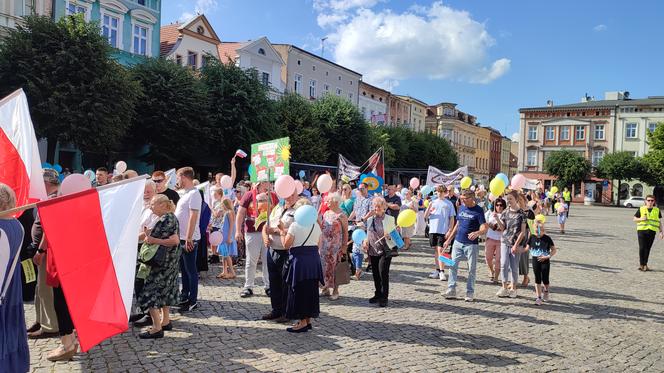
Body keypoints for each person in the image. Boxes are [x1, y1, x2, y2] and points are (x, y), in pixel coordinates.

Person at [136, 195, 181, 339]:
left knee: (150, 292)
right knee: (165, 291)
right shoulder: (170, 217)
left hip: (162, 263)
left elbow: (173, 241)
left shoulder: (166, 220)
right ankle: (165, 321)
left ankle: (156, 327)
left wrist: (152, 239)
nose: (150, 206)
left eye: (153, 204)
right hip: (168, 262)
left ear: (162, 205)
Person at [26, 169, 60, 339]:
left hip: (47, 251)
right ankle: (41, 320)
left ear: (46, 183)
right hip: (43, 250)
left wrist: (40, 250)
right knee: (40, 288)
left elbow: (50, 229)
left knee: (45, 289)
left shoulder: (54, 200)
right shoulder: (49, 198)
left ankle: (50, 326)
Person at [281, 199, 324, 333]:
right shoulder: (316, 226)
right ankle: (308, 320)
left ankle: (303, 322)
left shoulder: (294, 226)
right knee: (310, 291)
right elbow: (319, 244)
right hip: (313, 261)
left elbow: (286, 245)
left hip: (300, 262)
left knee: (299, 291)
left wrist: (282, 232)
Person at [0, 183, 30, 371]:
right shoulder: (17, 225)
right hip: (11, 288)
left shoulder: (1, 228)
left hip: (3, 287)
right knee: (10, 328)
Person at [443, 190, 487, 302]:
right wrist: (449, 240)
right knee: (452, 265)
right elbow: (457, 225)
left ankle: (470, 292)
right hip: (458, 242)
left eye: (464, 199)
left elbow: (484, 227)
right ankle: (451, 289)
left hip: (471, 245)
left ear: (472, 198)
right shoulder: (462, 208)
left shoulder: (479, 210)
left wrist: (477, 233)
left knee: (471, 269)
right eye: (461, 198)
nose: (462, 200)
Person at [236, 182, 278, 298]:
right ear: (260, 183)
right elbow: (240, 213)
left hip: (268, 232)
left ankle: (268, 286)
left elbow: (278, 212)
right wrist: (237, 231)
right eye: (267, 182)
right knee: (251, 259)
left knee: (267, 260)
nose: (270, 184)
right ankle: (248, 286)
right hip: (252, 231)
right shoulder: (249, 195)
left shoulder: (273, 196)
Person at [261, 190, 298, 323]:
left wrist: (276, 231)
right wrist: (265, 237)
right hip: (272, 250)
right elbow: (265, 227)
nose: (288, 196)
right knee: (274, 282)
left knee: (285, 284)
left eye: (291, 194)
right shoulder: (277, 208)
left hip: (286, 250)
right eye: (286, 194)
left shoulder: (298, 210)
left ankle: (286, 312)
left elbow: (296, 229)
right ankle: (276, 310)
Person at [174, 167, 202, 312]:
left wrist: (189, 237)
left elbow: (193, 216)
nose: (177, 180)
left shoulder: (194, 194)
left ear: (184, 177)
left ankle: (193, 299)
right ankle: (184, 295)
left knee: (191, 269)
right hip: (181, 237)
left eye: (178, 177)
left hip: (189, 238)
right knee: (184, 270)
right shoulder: (185, 194)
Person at [363, 197, 398, 307]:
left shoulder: (390, 219)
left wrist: (389, 236)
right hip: (373, 249)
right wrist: (365, 241)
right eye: (375, 206)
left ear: (384, 207)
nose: (376, 208)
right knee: (375, 273)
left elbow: (396, 238)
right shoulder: (370, 219)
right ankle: (377, 294)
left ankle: (384, 296)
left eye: (378, 206)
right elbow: (368, 234)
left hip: (385, 249)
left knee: (383, 272)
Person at [495, 190, 527, 298]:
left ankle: (513, 288)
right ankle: (504, 287)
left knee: (514, 267)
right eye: (507, 199)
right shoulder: (505, 212)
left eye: (510, 199)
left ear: (516, 199)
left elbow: (523, 232)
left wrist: (516, 245)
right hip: (505, 241)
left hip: (516, 243)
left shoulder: (522, 214)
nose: (508, 201)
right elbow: (503, 228)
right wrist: (497, 219)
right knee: (503, 264)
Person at [319, 193, 349, 300]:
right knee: (324, 267)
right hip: (324, 246)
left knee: (335, 268)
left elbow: (345, 232)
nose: (326, 203)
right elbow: (321, 228)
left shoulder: (342, 215)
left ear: (336, 202)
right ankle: (325, 288)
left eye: (328, 201)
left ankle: (335, 290)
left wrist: (344, 247)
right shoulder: (326, 213)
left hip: (336, 246)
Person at [424, 186, 455, 281]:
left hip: (443, 230)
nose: (440, 193)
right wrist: (429, 206)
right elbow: (425, 216)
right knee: (436, 250)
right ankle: (437, 270)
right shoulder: (433, 203)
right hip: (433, 229)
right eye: (438, 192)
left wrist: (450, 230)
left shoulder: (448, 203)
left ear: (445, 192)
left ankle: (442, 271)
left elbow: (452, 218)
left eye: (442, 192)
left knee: (441, 250)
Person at [525, 217, 557, 306]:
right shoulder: (532, 237)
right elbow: (527, 248)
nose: (538, 233)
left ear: (543, 230)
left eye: (540, 231)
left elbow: (554, 250)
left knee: (545, 279)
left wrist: (548, 256)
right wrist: (517, 250)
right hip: (535, 259)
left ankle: (546, 290)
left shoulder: (547, 238)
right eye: (536, 231)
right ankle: (538, 297)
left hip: (545, 260)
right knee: (537, 278)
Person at [633, 195, 664, 271]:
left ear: (654, 202)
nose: (650, 202)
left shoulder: (657, 210)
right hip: (642, 230)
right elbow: (634, 219)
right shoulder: (641, 209)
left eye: (652, 200)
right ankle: (641, 264)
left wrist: (661, 232)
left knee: (648, 248)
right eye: (649, 200)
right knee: (642, 248)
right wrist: (641, 218)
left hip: (652, 231)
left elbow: (659, 222)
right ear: (645, 201)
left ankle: (645, 265)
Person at [485, 198, 505, 283]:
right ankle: (491, 271)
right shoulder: (489, 213)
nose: (499, 207)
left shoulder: (505, 215)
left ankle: (496, 277)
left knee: (498, 260)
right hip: (490, 238)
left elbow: (502, 228)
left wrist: (496, 220)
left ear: (504, 206)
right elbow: (485, 223)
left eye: (501, 205)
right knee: (488, 258)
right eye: (497, 205)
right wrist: (491, 225)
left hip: (501, 240)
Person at [216, 197, 237, 279]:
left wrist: (229, 236)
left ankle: (232, 272)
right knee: (224, 255)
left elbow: (231, 225)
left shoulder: (229, 212)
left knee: (226, 254)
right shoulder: (227, 212)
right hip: (223, 236)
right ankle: (224, 271)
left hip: (226, 236)